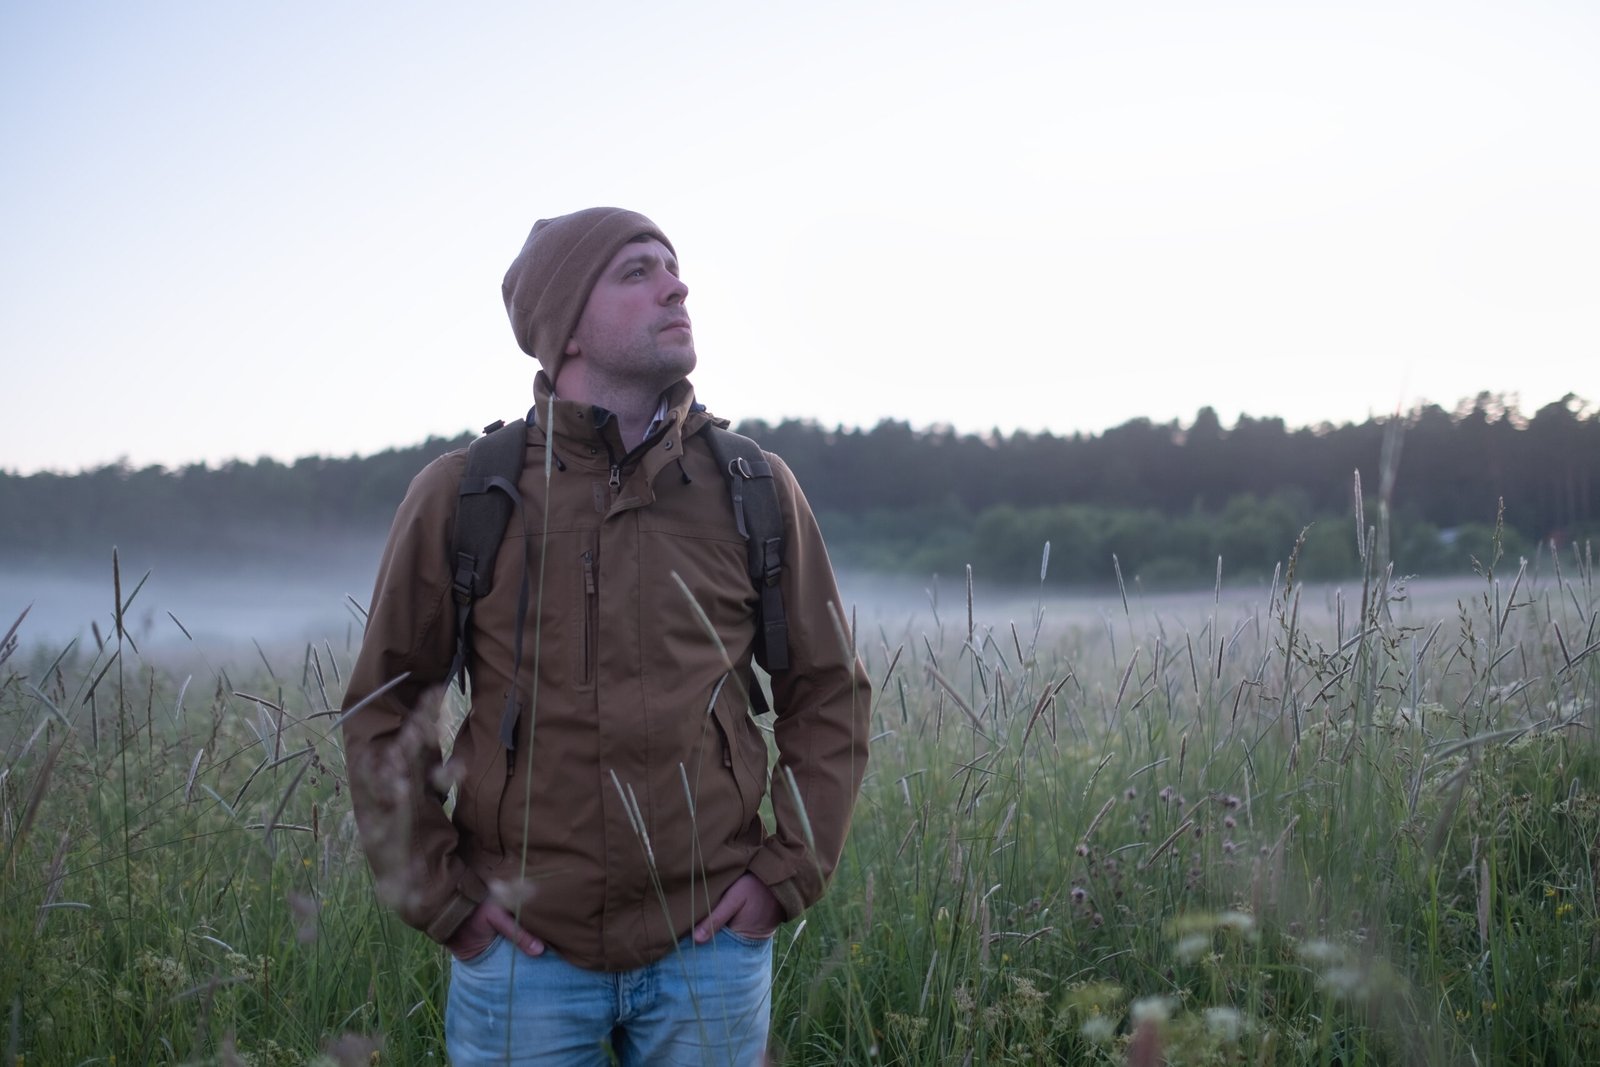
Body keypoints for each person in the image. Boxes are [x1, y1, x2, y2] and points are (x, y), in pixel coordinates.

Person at [340, 207, 872, 1066]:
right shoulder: (467, 493)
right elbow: (384, 707)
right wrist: (447, 902)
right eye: (637, 271)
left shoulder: (753, 485)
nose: (676, 285)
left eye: (673, 264)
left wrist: (782, 877)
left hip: (710, 944)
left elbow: (828, 690)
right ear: (567, 327)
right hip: (521, 954)